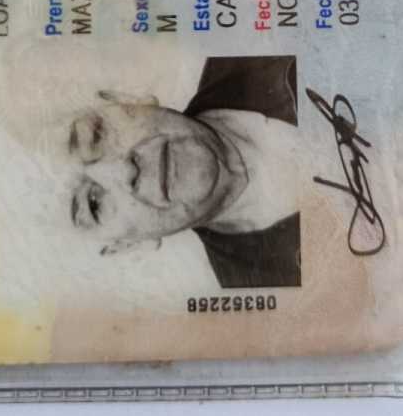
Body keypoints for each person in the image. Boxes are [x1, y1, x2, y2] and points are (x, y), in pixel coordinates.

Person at [65, 55, 301, 287]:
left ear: (128, 100)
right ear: (128, 245)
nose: (126, 171)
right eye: (95, 204)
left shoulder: (260, 50)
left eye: (97, 136)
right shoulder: (268, 295)